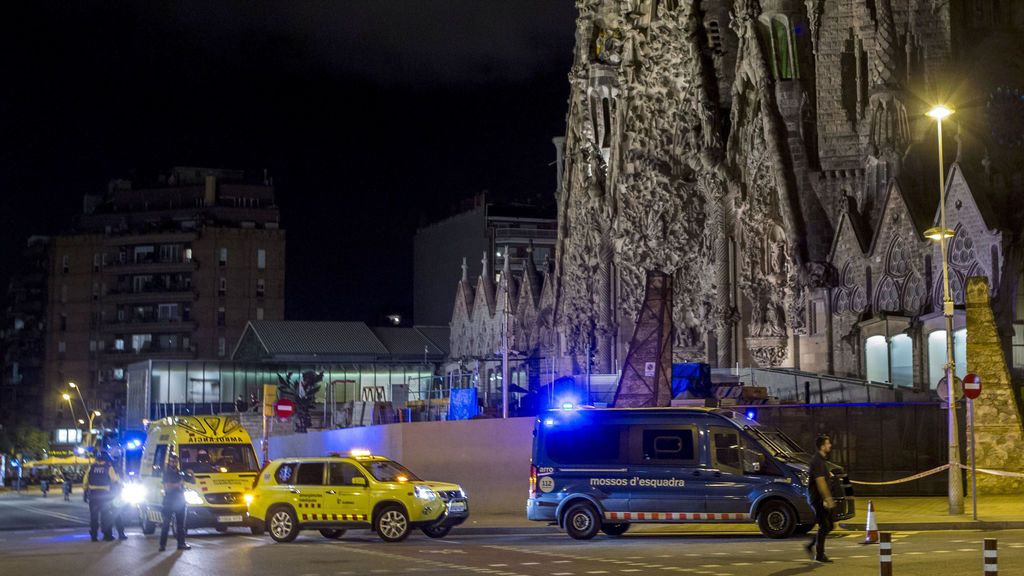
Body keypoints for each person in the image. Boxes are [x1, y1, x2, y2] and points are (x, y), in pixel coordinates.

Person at [804, 434, 836, 563]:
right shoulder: (817, 461)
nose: (830, 445)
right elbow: (820, 482)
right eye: (828, 443)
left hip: (819, 497)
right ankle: (820, 554)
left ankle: (810, 545)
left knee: (830, 525)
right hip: (817, 498)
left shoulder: (821, 460)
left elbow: (824, 476)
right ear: (822, 446)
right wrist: (828, 499)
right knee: (824, 525)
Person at [83, 452, 120, 542]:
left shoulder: (91, 467)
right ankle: (107, 535)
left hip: (93, 494)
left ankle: (94, 535)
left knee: (94, 516)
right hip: (105, 495)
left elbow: (85, 480)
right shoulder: (109, 467)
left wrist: (85, 491)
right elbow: (115, 480)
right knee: (106, 515)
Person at [159, 453, 190, 551]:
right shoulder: (166, 473)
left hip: (180, 502)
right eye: (172, 461)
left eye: (176, 461)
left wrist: (191, 473)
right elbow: (167, 487)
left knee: (180, 525)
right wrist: (178, 484)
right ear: (169, 462)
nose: (174, 463)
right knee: (166, 525)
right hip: (169, 502)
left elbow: (192, 481)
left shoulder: (180, 472)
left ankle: (181, 544)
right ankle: (162, 545)